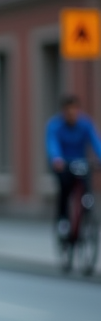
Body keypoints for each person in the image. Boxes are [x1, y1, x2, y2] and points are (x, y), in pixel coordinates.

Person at [46, 94, 101, 239]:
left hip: (81, 162)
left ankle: (87, 211)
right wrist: (56, 158)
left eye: (74, 110)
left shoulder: (86, 124)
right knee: (65, 188)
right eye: (68, 111)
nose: (72, 114)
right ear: (63, 112)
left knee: (86, 184)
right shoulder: (55, 126)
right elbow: (52, 143)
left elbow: (95, 141)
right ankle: (63, 219)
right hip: (64, 164)